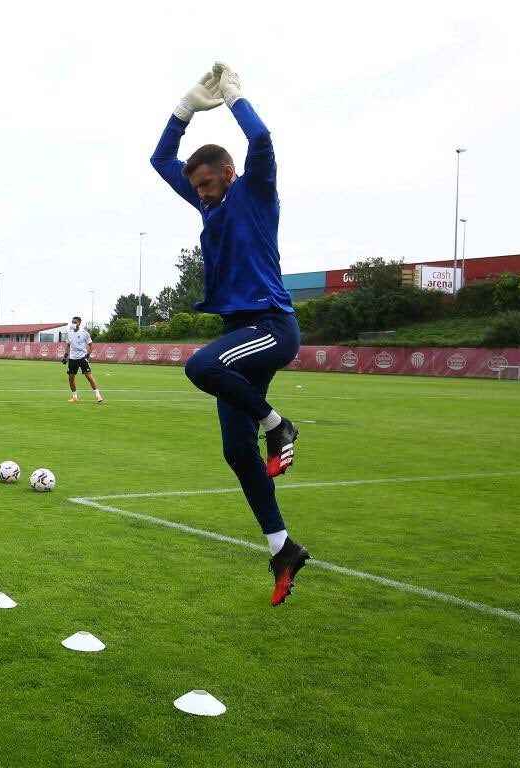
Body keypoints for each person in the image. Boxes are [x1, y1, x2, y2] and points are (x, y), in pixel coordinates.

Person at [150, 62, 307, 606]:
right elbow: (159, 161)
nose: (203, 195)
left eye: (209, 184)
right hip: (241, 334)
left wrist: (236, 98)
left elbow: (261, 136)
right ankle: (283, 547)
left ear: (230, 172)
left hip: (270, 325)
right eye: (198, 189)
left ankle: (279, 424)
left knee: (200, 366)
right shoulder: (208, 203)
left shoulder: (256, 191)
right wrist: (185, 108)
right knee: (237, 453)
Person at [63, 316, 103, 403]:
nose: (73, 324)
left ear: (79, 323)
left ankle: (98, 396)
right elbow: (68, 345)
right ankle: (74, 397)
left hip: (82, 358)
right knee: (71, 377)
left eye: (75, 322)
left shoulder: (84, 333)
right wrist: (65, 356)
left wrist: (87, 356)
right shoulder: (69, 333)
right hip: (73, 359)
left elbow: (91, 345)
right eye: (72, 322)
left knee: (88, 376)